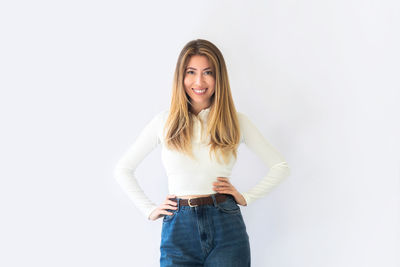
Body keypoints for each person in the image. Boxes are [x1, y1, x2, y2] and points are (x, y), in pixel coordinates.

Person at [113, 39, 291, 267]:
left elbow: (280, 167)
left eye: (208, 72)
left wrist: (246, 197)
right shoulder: (164, 123)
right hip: (178, 230)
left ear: (219, 78)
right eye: (191, 72)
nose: (199, 81)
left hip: (226, 226)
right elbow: (123, 169)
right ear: (181, 77)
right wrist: (149, 210)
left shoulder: (236, 122)